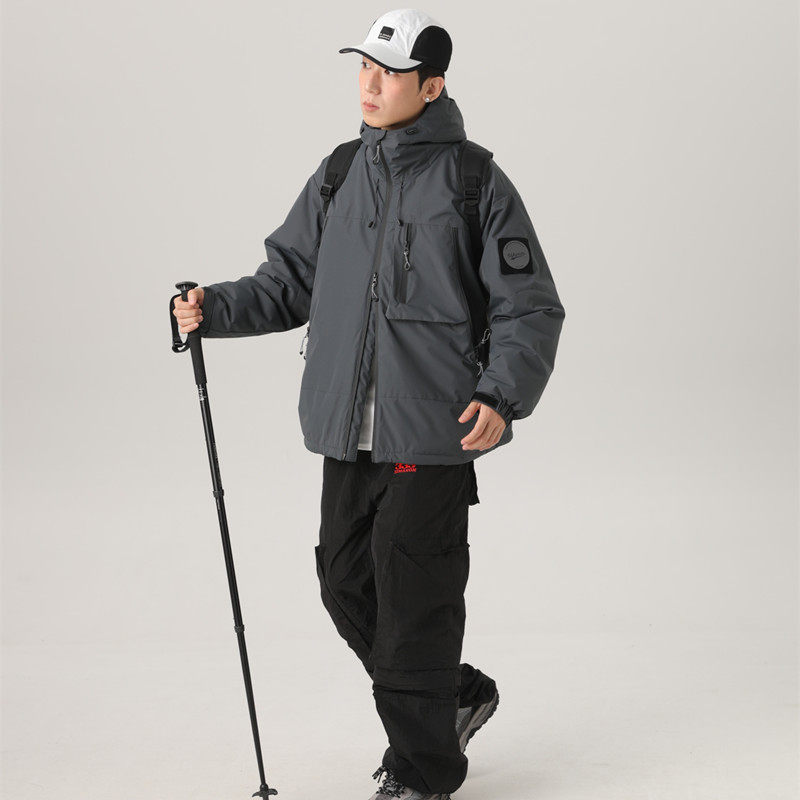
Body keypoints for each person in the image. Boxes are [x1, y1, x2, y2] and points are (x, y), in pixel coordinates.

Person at [172, 9, 565, 799]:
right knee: (346, 581)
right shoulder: (340, 171)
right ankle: (449, 698)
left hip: (435, 429)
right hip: (348, 430)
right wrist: (214, 306)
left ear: (433, 86)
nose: (370, 84)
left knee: (412, 598)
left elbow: (529, 305)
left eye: (389, 73)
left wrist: (502, 395)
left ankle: (422, 771)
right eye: (364, 68)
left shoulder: (475, 181)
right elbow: (288, 281)